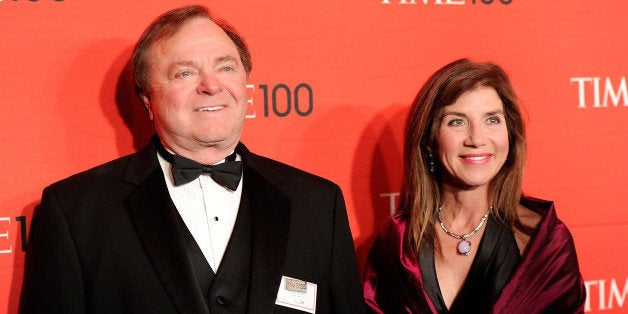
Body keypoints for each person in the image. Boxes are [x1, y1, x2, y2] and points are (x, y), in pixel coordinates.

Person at [20, 5, 364, 313]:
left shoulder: (319, 203)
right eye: (185, 73)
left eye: (226, 67)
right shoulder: (75, 212)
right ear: (146, 98)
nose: (211, 85)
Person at [363, 59, 586, 313]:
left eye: (492, 120)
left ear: (510, 135)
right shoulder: (397, 243)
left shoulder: (543, 243)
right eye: (457, 122)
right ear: (429, 141)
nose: (477, 139)